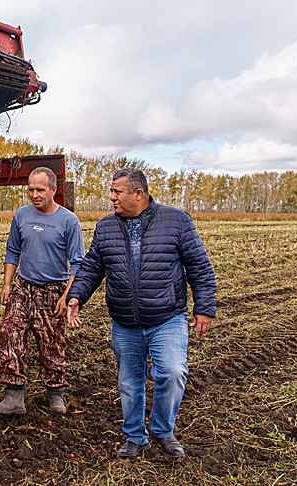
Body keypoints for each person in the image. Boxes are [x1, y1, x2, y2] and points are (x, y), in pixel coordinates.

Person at [66, 168, 216, 458]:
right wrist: (76, 296)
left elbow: (199, 267)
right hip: (124, 321)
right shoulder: (106, 227)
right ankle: (135, 435)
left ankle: (162, 430)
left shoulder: (177, 221)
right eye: (111, 191)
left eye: (116, 192)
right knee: (129, 383)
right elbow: (92, 267)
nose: (111, 197)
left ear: (138, 193)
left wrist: (204, 308)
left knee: (172, 373)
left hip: (167, 318)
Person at [0, 167, 85, 415]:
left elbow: (78, 263)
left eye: (40, 190)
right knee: (10, 334)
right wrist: (7, 284)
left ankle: (55, 395)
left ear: (53, 190)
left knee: (51, 344)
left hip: (54, 290)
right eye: (30, 189)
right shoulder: (21, 216)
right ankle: (13, 396)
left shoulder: (68, 221)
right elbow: (13, 251)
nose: (34, 194)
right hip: (23, 286)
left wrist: (68, 296)